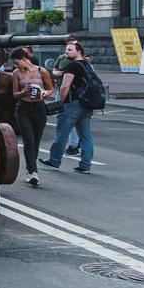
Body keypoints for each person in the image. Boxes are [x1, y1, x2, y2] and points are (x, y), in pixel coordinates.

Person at [42, 40, 95, 175]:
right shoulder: (87, 65)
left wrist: (62, 102)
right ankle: (85, 165)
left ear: (79, 51)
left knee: (62, 133)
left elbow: (65, 86)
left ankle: (54, 160)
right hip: (87, 104)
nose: (66, 52)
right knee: (85, 136)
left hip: (72, 104)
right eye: (66, 49)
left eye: (70, 50)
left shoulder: (73, 66)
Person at [9, 47, 53, 187]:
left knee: (36, 141)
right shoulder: (16, 73)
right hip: (24, 109)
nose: (16, 66)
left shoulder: (42, 71)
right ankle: (33, 172)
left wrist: (43, 94)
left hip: (39, 108)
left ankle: (30, 169)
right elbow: (14, 95)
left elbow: (51, 88)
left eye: (17, 62)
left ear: (24, 59)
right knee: (29, 141)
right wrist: (24, 91)